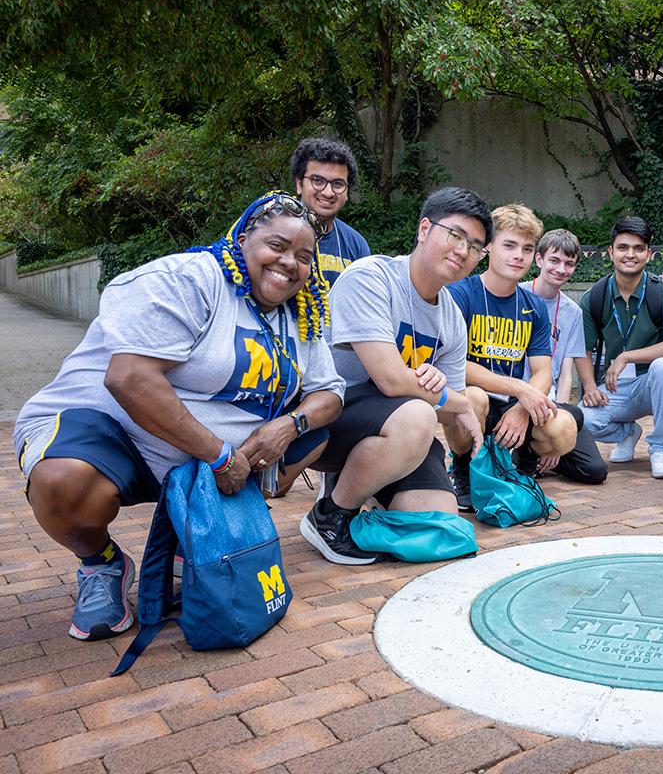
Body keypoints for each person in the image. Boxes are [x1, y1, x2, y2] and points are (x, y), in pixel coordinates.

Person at [14, 192, 345, 640]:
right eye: (277, 246)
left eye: (304, 256)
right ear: (243, 238)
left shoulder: (301, 312)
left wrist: (288, 425)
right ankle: (101, 564)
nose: (290, 263)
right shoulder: (189, 279)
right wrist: (221, 456)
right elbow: (129, 379)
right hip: (114, 431)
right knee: (63, 483)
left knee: (316, 436)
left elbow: (330, 393)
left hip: (213, 458)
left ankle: (195, 538)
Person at [301, 187, 489, 566]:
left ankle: (361, 483)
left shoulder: (451, 317)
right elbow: (391, 381)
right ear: (424, 229)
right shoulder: (371, 277)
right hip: (331, 420)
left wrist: (461, 429)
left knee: (438, 521)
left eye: (475, 246)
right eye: (455, 235)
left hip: (394, 427)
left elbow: (445, 414)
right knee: (416, 414)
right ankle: (331, 515)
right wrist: (461, 400)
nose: (462, 251)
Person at [443, 205, 584, 511]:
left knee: (565, 429)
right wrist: (519, 389)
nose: (518, 255)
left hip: (511, 404)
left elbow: (543, 372)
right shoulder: (460, 294)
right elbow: (454, 364)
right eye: (509, 245)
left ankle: (524, 465)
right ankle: (463, 469)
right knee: (474, 398)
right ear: (488, 247)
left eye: (527, 248)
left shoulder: (533, 306)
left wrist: (523, 405)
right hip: (474, 400)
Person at [579, 217, 663, 479]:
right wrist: (591, 388)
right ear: (611, 252)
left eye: (639, 248)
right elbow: (584, 349)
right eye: (623, 247)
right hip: (616, 388)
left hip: (655, 384)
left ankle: (660, 448)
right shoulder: (594, 297)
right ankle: (627, 432)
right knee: (580, 421)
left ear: (649, 254)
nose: (630, 254)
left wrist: (626, 356)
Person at [520, 228, 608, 484]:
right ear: (539, 260)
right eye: (554, 261)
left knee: (594, 470)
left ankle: (539, 453)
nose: (561, 269)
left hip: (550, 405)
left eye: (569, 264)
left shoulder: (572, 312)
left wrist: (557, 437)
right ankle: (527, 453)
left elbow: (565, 372)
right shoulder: (516, 295)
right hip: (518, 401)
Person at [291, 138, 370, 287]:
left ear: (347, 192)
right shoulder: (276, 233)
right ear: (299, 185)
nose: (328, 192)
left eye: (338, 184)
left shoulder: (357, 245)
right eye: (318, 181)